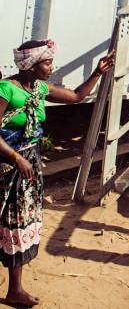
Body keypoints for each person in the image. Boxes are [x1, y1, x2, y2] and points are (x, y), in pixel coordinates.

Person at [0, 40, 114, 307]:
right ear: (30, 65)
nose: (51, 67)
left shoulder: (40, 89)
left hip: (27, 168)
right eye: (47, 62)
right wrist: (17, 158)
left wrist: (98, 72)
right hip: (7, 166)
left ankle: (15, 289)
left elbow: (76, 96)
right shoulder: (7, 89)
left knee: (20, 224)